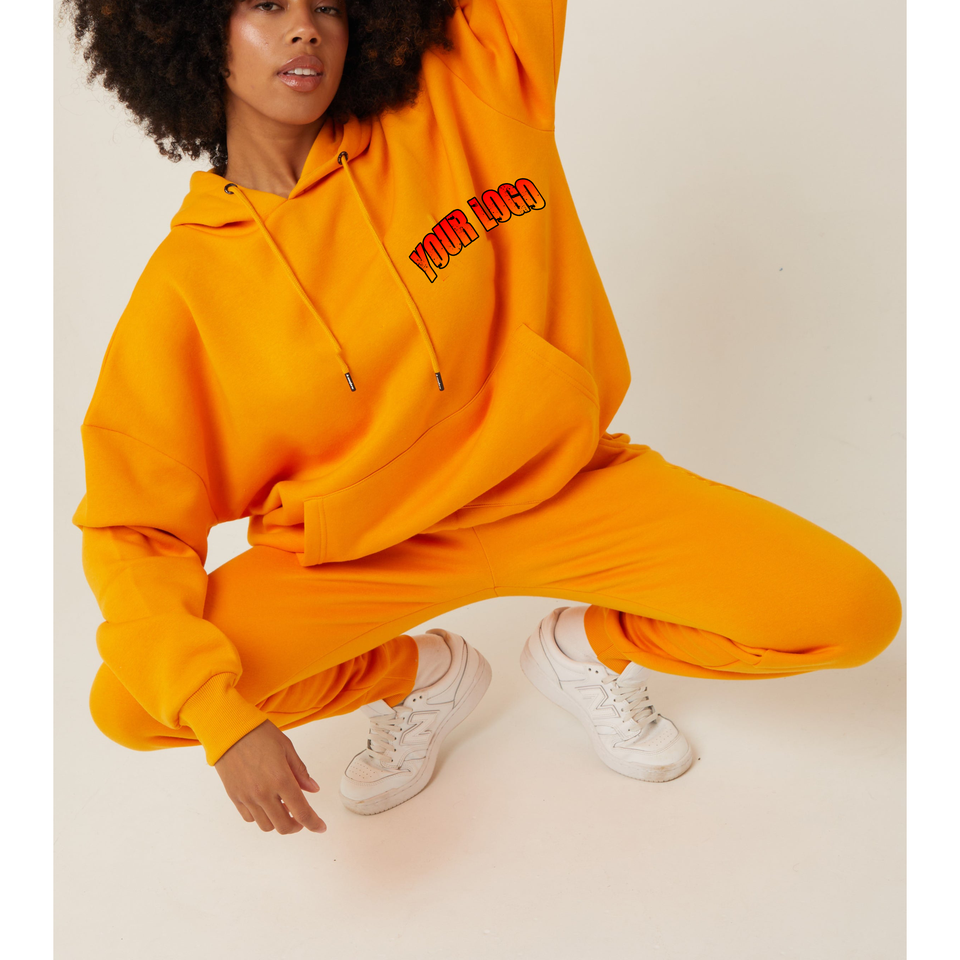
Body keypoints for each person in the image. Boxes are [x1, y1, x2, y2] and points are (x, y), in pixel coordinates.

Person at [66, 0, 902, 836]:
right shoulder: (185, 290)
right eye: (267, 4)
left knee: (852, 613)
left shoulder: (473, 84)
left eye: (328, 5)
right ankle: (414, 677)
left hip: (562, 491)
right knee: (138, 701)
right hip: (367, 557)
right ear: (193, 30)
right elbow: (134, 534)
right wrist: (224, 721)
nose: (306, 27)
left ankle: (588, 652)